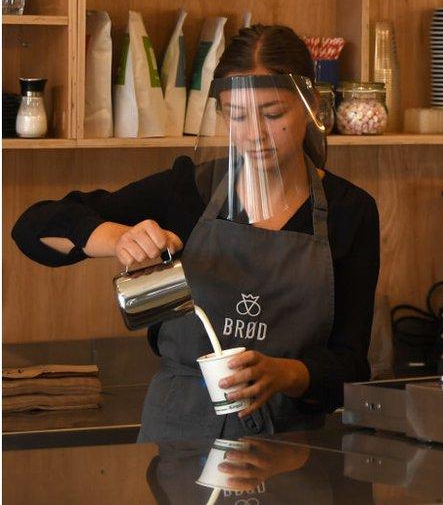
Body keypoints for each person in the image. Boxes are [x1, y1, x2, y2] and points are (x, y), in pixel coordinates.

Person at [12, 24, 380, 442]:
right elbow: (33, 228)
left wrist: (286, 374)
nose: (254, 134)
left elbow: (351, 368)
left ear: (310, 104)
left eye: (273, 114)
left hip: (295, 451)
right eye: (236, 115)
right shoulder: (187, 192)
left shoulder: (351, 211)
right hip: (180, 441)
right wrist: (116, 238)